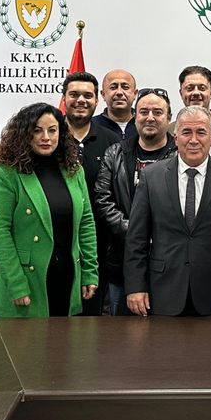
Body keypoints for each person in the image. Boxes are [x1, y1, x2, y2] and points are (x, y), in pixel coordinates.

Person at [124, 106, 211, 316]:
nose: (194, 140)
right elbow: (136, 239)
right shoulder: (151, 177)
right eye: (186, 132)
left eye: (201, 132)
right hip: (163, 291)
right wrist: (135, 287)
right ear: (176, 138)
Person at [0, 103, 99, 317]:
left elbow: (86, 223)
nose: (45, 137)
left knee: (65, 339)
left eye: (52, 130)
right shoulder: (6, 172)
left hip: (67, 277)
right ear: (24, 134)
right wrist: (16, 283)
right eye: (37, 130)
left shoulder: (74, 170)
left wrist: (90, 272)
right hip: (26, 280)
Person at [95, 88, 177, 315]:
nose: (150, 117)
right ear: (135, 116)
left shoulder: (180, 155)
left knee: (170, 331)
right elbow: (103, 199)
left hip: (171, 265)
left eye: (157, 112)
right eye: (144, 112)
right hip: (122, 261)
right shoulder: (115, 153)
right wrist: (134, 231)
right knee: (124, 333)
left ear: (169, 118)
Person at [62, 71, 119, 314]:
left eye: (87, 95)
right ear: (64, 98)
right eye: (74, 94)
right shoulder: (49, 137)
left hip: (98, 244)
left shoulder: (112, 140)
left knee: (90, 313)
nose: (81, 100)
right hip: (57, 241)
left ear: (97, 100)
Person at [93, 68, 137, 139]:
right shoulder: (91, 126)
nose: (119, 92)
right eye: (113, 87)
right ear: (103, 94)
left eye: (125, 87)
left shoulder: (145, 125)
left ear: (135, 94)